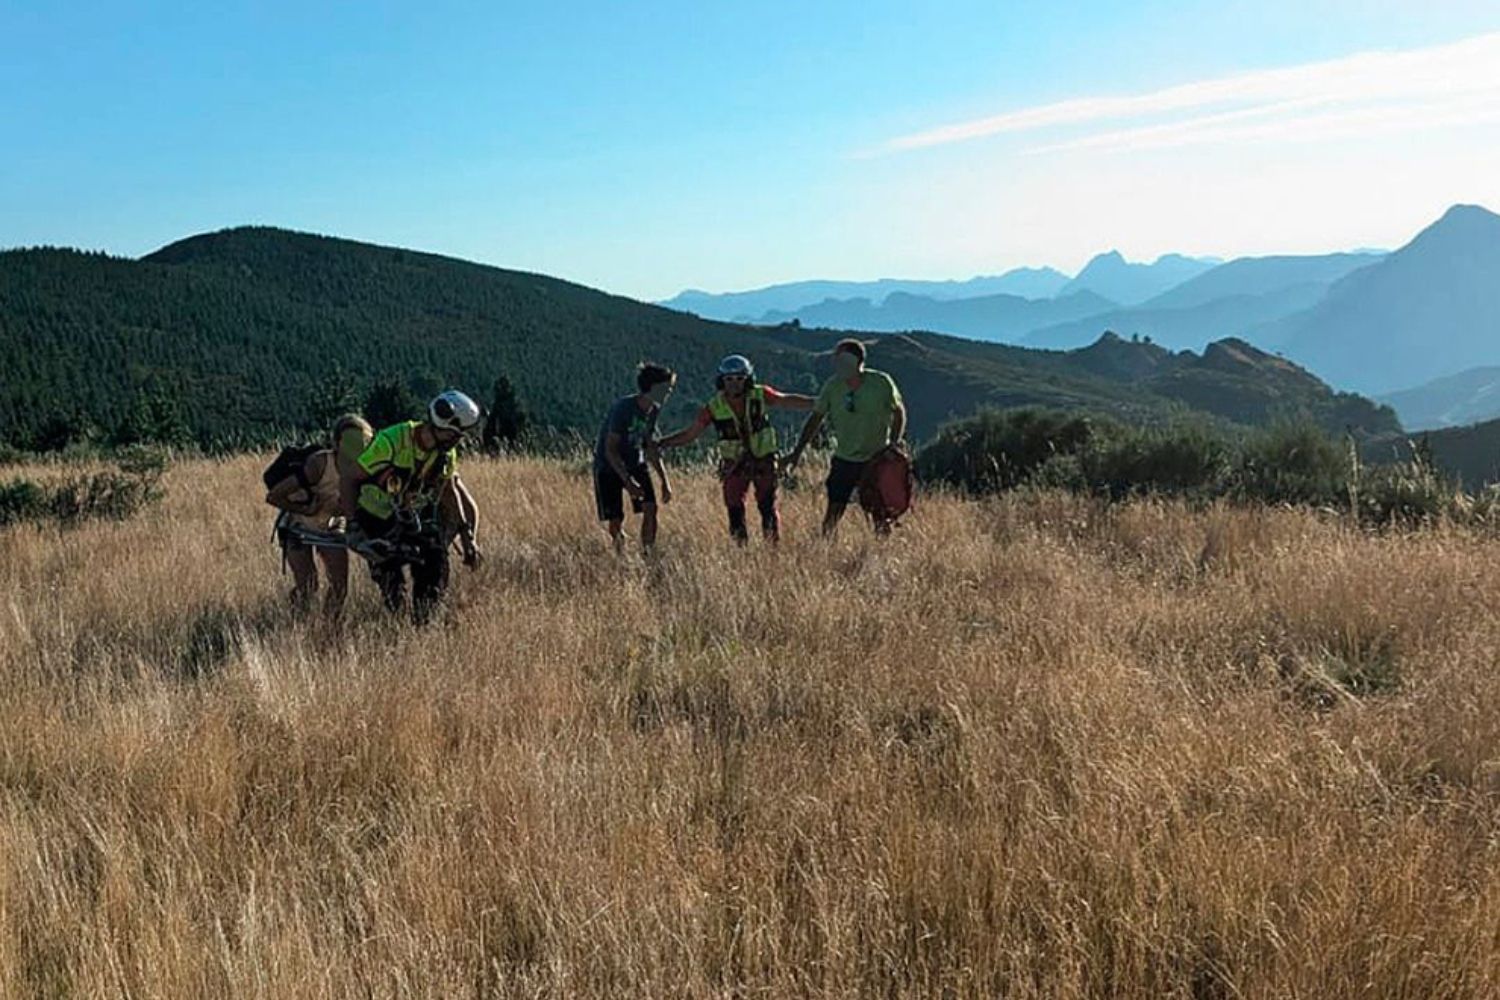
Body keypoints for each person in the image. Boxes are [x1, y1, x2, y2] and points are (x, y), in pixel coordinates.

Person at [340, 390, 483, 624]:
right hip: (375, 516)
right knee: (391, 579)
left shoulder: (446, 455)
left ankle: (424, 625)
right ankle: (397, 620)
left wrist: (467, 537)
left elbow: (449, 491)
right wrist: (354, 525)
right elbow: (350, 479)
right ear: (442, 426)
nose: (459, 440)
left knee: (435, 564)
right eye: (456, 434)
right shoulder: (391, 442)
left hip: (412, 515)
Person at [657, 354, 814, 543]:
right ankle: (741, 551)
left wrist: (819, 403)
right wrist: (662, 443)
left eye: (739, 378)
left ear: (748, 379)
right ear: (721, 381)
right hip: (734, 465)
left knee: (767, 507)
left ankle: (772, 550)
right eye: (729, 379)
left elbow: (786, 400)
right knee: (734, 509)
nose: (734, 383)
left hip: (763, 460)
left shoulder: (761, 394)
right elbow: (691, 434)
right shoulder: (713, 407)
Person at [784, 338, 907, 535]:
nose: (838, 365)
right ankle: (825, 547)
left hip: (876, 458)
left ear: (858, 362)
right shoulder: (833, 387)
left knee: (879, 512)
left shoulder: (881, 382)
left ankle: (882, 554)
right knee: (834, 508)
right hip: (845, 459)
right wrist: (797, 451)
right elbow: (815, 418)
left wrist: (893, 443)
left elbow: (899, 411)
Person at [264, 414, 374, 617]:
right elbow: (274, 496)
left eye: (364, 442)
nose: (358, 447)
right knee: (308, 586)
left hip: (331, 530)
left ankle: (326, 634)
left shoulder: (367, 470)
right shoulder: (320, 464)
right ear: (337, 443)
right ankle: (296, 622)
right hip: (296, 528)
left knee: (340, 588)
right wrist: (306, 509)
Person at [594, 363, 675, 554]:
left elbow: (649, 444)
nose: (669, 392)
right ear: (652, 387)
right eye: (666, 388)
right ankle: (619, 547)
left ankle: (648, 552)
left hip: (635, 462)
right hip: (608, 466)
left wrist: (664, 481)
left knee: (650, 508)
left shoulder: (653, 410)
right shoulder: (623, 409)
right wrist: (628, 481)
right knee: (615, 518)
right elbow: (610, 450)